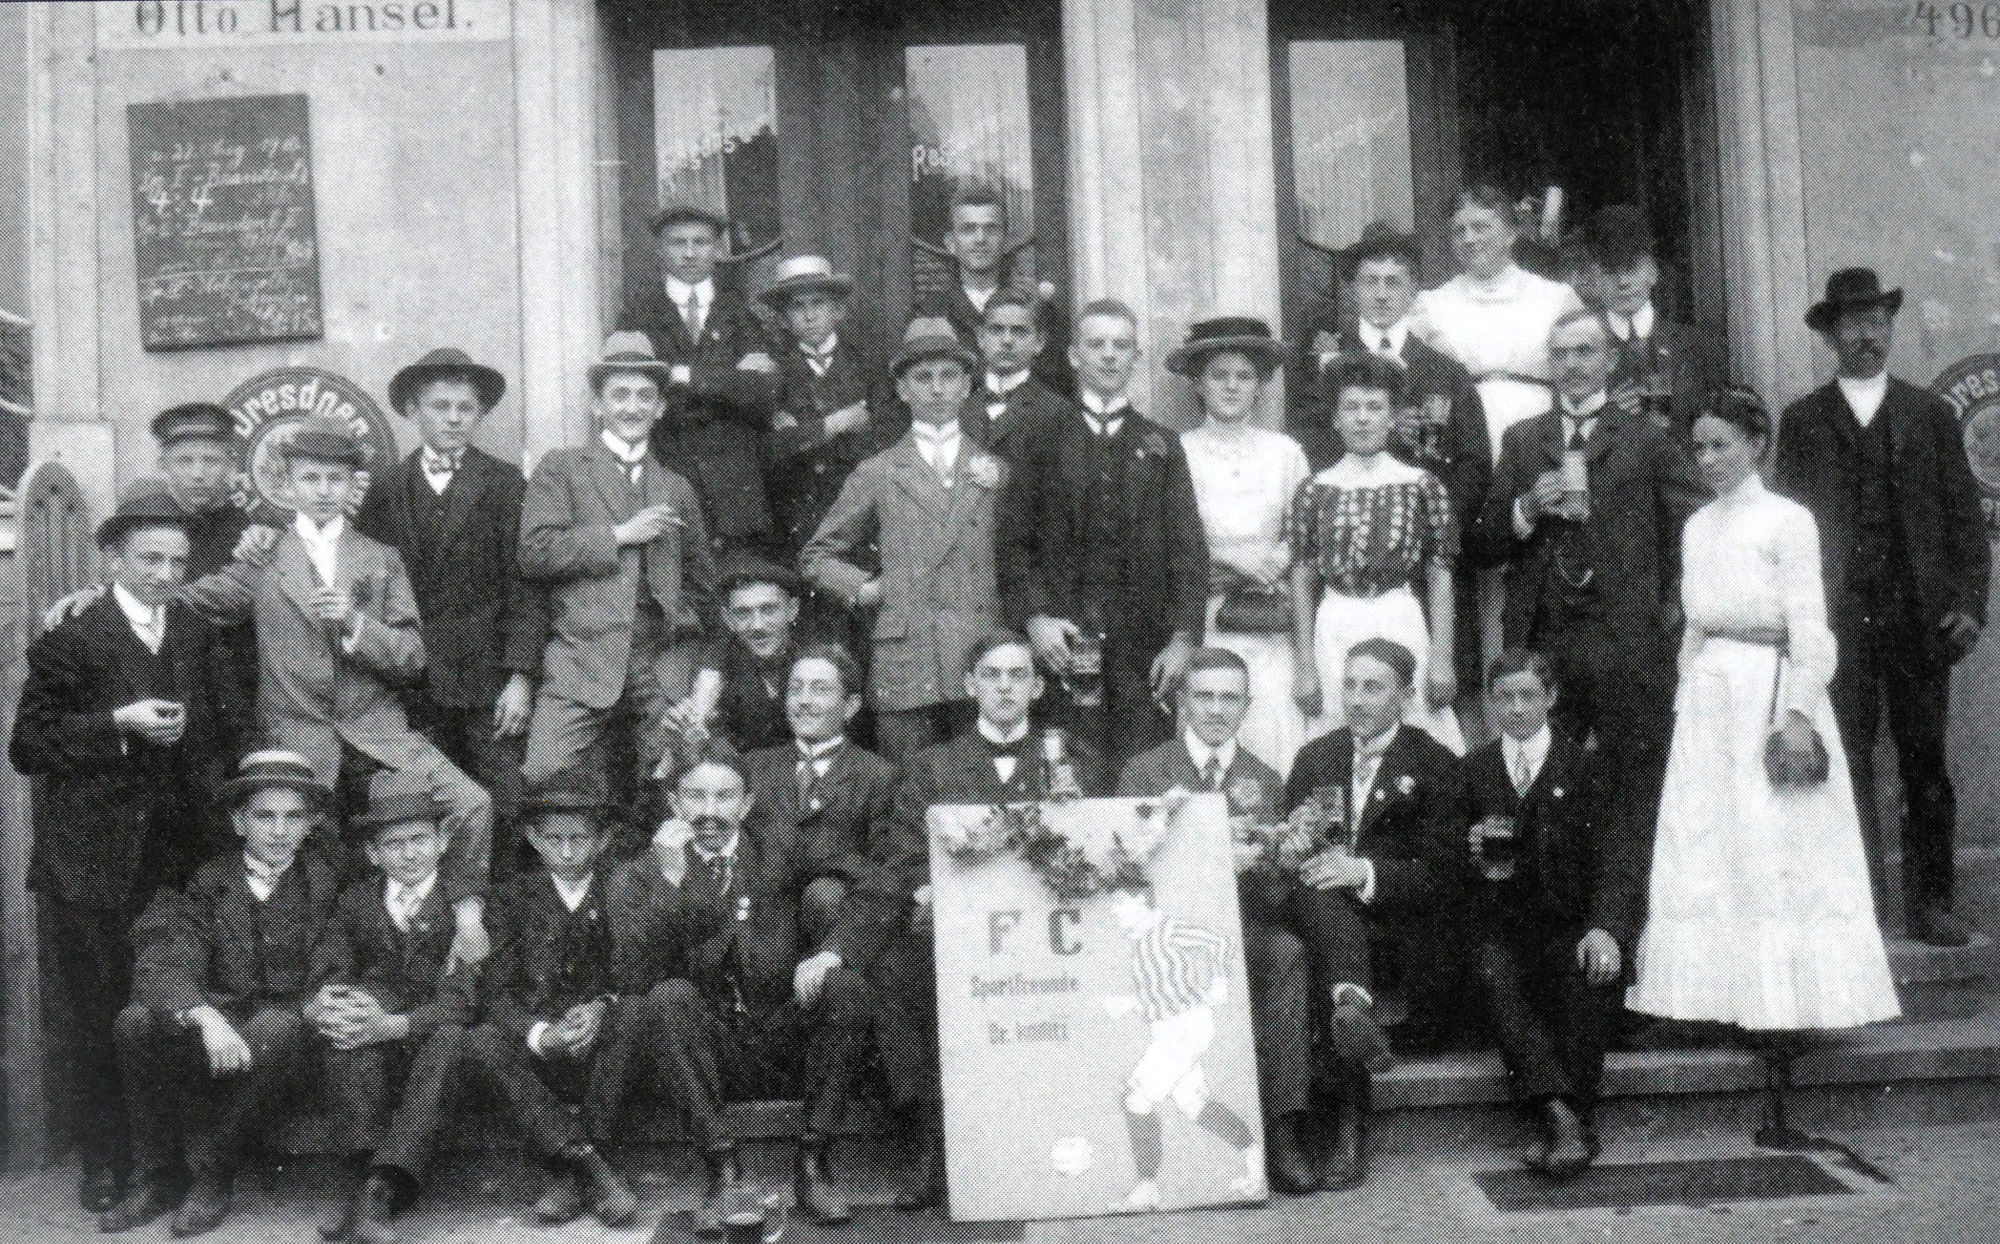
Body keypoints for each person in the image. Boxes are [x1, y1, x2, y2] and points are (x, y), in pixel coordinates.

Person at [168, 418, 496, 969]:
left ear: (352, 486)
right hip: (295, 737)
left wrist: (357, 625)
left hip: (377, 733)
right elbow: (192, 598)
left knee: (471, 804)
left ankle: (465, 920)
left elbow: (413, 656)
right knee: (305, 851)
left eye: (335, 479)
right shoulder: (264, 555)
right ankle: (318, 973)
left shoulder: (380, 557)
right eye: (310, 478)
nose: (322, 491)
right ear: (287, 484)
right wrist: (105, 594)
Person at [1628, 388, 1900, 1031]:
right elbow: (1695, 625)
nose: (1707, 460)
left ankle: (1787, 1006)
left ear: (1756, 445)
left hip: (1769, 693)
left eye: (1721, 445)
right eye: (1698, 447)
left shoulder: (1788, 520)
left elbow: (1810, 624)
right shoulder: (1697, 525)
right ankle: (1716, 1001)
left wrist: (1799, 712)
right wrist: (1686, 700)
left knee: (1773, 836)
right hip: (1710, 697)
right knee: (1708, 840)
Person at [9, 492, 246, 1214]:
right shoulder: (73, 638)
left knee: (169, 1010)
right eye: (149, 559)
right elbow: (28, 746)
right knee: (97, 1017)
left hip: (178, 861)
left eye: (177, 561)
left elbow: (228, 732)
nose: (164, 574)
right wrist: (117, 724)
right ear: (113, 559)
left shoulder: (198, 634)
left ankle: (173, 1163)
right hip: (92, 865)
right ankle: (106, 1163)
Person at [1774, 269, 1990, 947]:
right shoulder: (1804, 421)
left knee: (1925, 760)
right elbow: (1789, 527)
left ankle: (1932, 902)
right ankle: (1858, 904)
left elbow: (1963, 519)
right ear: (1831, 336)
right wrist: (1798, 619)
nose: (1867, 335)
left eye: (1877, 322)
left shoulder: (1929, 414)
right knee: (1849, 761)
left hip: (1919, 618)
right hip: (1839, 621)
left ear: (1889, 329)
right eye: (1853, 324)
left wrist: (1969, 605)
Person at [876, 631, 1104, 1208]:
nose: (1005, 687)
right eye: (992, 675)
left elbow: (1094, 842)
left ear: (1037, 687)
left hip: (1054, 929)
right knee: (899, 972)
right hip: (964, 933)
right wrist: (929, 887)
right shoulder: (931, 766)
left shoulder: (1072, 760)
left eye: (1018, 675)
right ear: (970, 685)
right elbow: (903, 853)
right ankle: (933, 1139)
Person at [1473, 309, 1704, 854]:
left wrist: (1665, 616)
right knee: (1540, 781)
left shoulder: (1647, 439)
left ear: (1610, 359)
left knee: (1633, 785)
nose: (1573, 365)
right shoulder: (1523, 440)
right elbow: (1485, 542)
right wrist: (1526, 508)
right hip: (1544, 642)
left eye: (1585, 352)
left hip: (1623, 639)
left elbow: (1692, 534)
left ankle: (1623, 904)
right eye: (1561, 354)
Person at [640, 742, 877, 1230]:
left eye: (724, 797)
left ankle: (812, 1161)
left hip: (782, 1035)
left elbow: (874, 883)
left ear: (747, 804)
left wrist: (831, 951)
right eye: (695, 797)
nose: (709, 812)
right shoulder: (646, 870)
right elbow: (638, 971)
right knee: (667, 999)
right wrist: (672, 880)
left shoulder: (779, 849)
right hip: (710, 1050)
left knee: (846, 987)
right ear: (674, 803)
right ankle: (722, 1170)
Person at [108, 752, 341, 1237]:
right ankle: (160, 1175)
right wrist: (203, 1014)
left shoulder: (327, 884)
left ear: (309, 824)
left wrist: (321, 1000)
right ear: (239, 822)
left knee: (277, 1026)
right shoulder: (208, 883)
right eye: (264, 817)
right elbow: (165, 951)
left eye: (293, 817)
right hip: (222, 1030)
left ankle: (214, 1174)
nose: (279, 831)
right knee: (135, 1023)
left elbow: (340, 959)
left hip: (298, 1038)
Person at [1116, 648, 1317, 1195]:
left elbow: (1279, 890)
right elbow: (1125, 869)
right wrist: (1193, 854)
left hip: (1238, 928)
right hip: (1164, 933)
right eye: (1203, 696)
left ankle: (1281, 1129)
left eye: (1230, 698)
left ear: (1247, 706)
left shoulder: (1266, 779)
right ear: (1182, 701)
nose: (1216, 709)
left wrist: (1260, 865)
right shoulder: (1144, 771)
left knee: (1285, 952)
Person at [344, 347, 544, 879]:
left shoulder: (504, 484)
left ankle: (496, 911)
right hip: (415, 682)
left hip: (487, 681)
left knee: (503, 800)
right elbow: (367, 583)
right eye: (440, 407)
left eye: (465, 408)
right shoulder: (386, 489)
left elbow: (524, 588)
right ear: (413, 411)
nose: (454, 418)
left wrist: (520, 677)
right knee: (424, 807)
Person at [518, 331, 719, 845]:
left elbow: (701, 586)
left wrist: (688, 657)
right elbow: (535, 551)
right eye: (619, 395)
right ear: (597, 405)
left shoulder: (676, 486)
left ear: (660, 408)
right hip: (581, 658)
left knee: (685, 774)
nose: (632, 407)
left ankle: (671, 879)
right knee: (544, 774)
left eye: (644, 396)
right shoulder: (562, 469)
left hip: (659, 662)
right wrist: (619, 535)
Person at [1283, 639, 1466, 1190]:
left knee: (1326, 900)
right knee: (1315, 887)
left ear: (1406, 696)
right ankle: (1353, 1013)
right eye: (1350, 685)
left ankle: (1345, 1119)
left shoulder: (1434, 763)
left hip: (1394, 926)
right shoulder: (1316, 756)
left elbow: (1443, 875)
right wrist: (1294, 848)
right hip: (1324, 919)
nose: (1357, 700)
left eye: (1374, 687)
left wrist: (1363, 871)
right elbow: (1289, 852)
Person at [1000, 297, 1209, 773]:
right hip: (1065, 639)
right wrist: (1035, 619)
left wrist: (1183, 637)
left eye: (1121, 345)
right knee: (1069, 772)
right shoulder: (1039, 436)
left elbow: (1187, 548)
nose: (1110, 356)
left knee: (1143, 770)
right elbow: (1012, 543)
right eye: (1097, 345)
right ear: (1074, 355)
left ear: (1136, 357)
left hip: (1144, 647)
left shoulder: (1160, 443)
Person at [803, 318, 1009, 761]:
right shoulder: (878, 471)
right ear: (902, 389)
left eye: (948, 376)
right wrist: (866, 588)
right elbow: (816, 556)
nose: (937, 388)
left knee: (981, 785)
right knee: (909, 787)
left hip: (980, 654)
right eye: (922, 377)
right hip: (908, 657)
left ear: (966, 386)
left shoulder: (996, 467)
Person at [1464, 649, 1636, 1179]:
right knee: (1493, 972)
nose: (1516, 708)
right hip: (1502, 927)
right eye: (1504, 698)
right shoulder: (1474, 770)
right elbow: (1448, 863)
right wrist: (1469, 849)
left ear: (1551, 697)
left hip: (1571, 924)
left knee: (1588, 972)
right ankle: (1565, 1118)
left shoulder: (1584, 766)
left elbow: (1618, 858)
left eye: (1528, 696)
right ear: (1491, 703)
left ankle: (1563, 1116)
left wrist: (1606, 928)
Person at [457, 771, 644, 1229]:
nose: (566, 852)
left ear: (602, 840)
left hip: (605, 1044)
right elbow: (495, 991)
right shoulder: (510, 899)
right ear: (533, 839)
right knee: (481, 1039)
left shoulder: (623, 888)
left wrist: (603, 1006)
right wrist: (541, 1034)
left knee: (636, 1011)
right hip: (539, 1052)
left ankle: (571, 1175)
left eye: (578, 839)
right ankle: (588, 1165)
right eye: (553, 839)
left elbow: (640, 973)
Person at [307, 769, 478, 1244]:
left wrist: (394, 1024)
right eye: (394, 844)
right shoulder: (356, 901)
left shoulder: (466, 907)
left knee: (451, 1037)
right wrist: (339, 1003)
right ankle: (364, 1180)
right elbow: (332, 967)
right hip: (374, 1038)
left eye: (419, 839)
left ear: (442, 841)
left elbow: (464, 1000)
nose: (409, 854)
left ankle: (380, 1189)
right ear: (373, 853)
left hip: (432, 1038)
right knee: (348, 1020)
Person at [1411, 186, 1582, 662]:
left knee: (1534, 550)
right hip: (1465, 439)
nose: (1469, 238)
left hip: (1535, 435)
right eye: (1459, 230)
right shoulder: (1431, 304)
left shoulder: (1554, 296)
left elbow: (1580, 371)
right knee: (1476, 557)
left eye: (1481, 227)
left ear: (1510, 233)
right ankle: (1486, 688)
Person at [1289, 352, 1464, 754]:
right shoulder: (1314, 490)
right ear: (1335, 418)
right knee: (1336, 738)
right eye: (1351, 407)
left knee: (1414, 734)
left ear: (1393, 417)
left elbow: (1439, 575)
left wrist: (1442, 658)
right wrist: (1305, 665)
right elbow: (1302, 578)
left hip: (1399, 618)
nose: (1363, 418)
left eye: (1374, 407)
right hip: (1336, 623)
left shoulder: (1421, 485)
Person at [1170, 317, 1314, 777]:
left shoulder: (1284, 452)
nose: (1231, 386)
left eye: (1244, 376)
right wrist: (1230, 559)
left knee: (1272, 727)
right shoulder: (1178, 451)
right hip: (1208, 613)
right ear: (1198, 383)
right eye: (1219, 375)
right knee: (1210, 722)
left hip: (1269, 614)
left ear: (1260, 384)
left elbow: (1304, 529)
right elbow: (1170, 535)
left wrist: (1273, 561)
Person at [617, 201, 782, 558]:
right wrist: (731, 381)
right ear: (660, 250)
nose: (690, 253)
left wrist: (681, 374)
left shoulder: (742, 314)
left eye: (701, 242)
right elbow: (637, 392)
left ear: (717, 249)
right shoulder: (638, 316)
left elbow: (763, 395)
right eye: (678, 243)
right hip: (667, 467)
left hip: (735, 481)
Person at [1102, 872, 1265, 1212]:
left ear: (1141, 899)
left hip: (1186, 1027)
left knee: (1136, 1099)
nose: (1113, 910)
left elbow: (1219, 943)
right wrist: (1131, 1003)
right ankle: (1254, 1165)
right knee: (1194, 1105)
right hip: (1169, 1028)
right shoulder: (1140, 941)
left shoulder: (1167, 930)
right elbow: (1165, 991)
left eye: (1119, 902)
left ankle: (1147, 1188)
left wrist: (1219, 981)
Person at [742, 646, 902, 972]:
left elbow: (883, 874)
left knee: (826, 894)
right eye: (795, 689)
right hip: (764, 926)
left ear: (850, 706)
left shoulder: (878, 776)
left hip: (834, 924)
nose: (804, 701)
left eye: (820, 690)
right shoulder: (753, 767)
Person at [760, 255, 901, 569]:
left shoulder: (868, 366)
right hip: (801, 511)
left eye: (818, 304)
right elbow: (773, 447)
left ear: (838, 310)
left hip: (863, 508)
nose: (809, 316)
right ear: (784, 319)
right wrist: (836, 424)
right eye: (797, 307)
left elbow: (886, 435)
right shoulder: (774, 372)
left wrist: (802, 433)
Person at [143, 403, 270, 702]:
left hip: (233, 690)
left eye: (211, 461)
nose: (198, 474)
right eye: (184, 461)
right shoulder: (142, 526)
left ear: (231, 464)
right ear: (163, 464)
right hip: (157, 684)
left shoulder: (252, 532)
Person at [1581, 206, 1723, 439]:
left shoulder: (1699, 345)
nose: (1623, 282)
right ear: (1594, 280)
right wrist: (1604, 417)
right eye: (1610, 271)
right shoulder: (1578, 351)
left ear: (1653, 273)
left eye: (1631, 268)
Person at [921, 182, 1071, 393]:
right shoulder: (929, 313)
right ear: (951, 243)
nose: (980, 239)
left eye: (991, 229)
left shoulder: (1037, 310)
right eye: (968, 229)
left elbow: (1057, 388)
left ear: (1006, 240)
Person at [680, 558, 807, 754]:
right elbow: (706, 742)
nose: (757, 625)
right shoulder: (714, 668)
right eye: (743, 613)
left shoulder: (815, 661)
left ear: (792, 610)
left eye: (769, 610)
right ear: (728, 619)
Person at [962, 287, 1077, 470]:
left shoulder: (1059, 413)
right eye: (996, 330)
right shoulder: (958, 406)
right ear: (981, 338)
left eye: (1019, 331)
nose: (1007, 340)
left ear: (1039, 342)